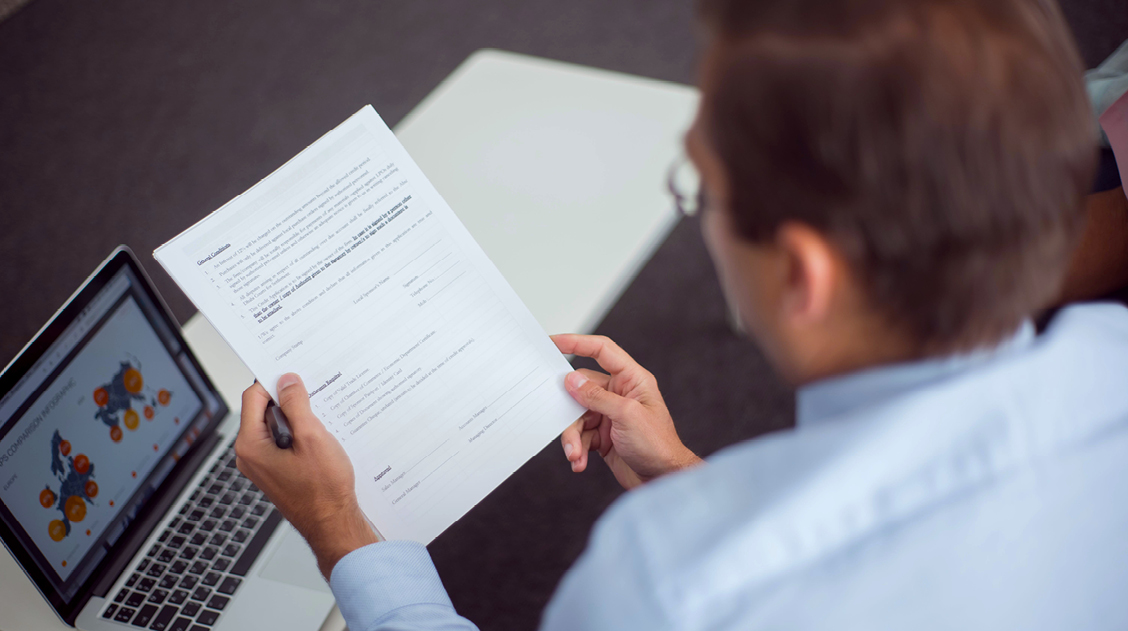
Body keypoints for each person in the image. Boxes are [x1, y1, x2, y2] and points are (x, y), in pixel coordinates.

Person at [234, 0, 1128, 628]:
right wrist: (691, 479)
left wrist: (342, 530)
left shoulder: (669, 586)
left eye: (703, 184)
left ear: (803, 275)